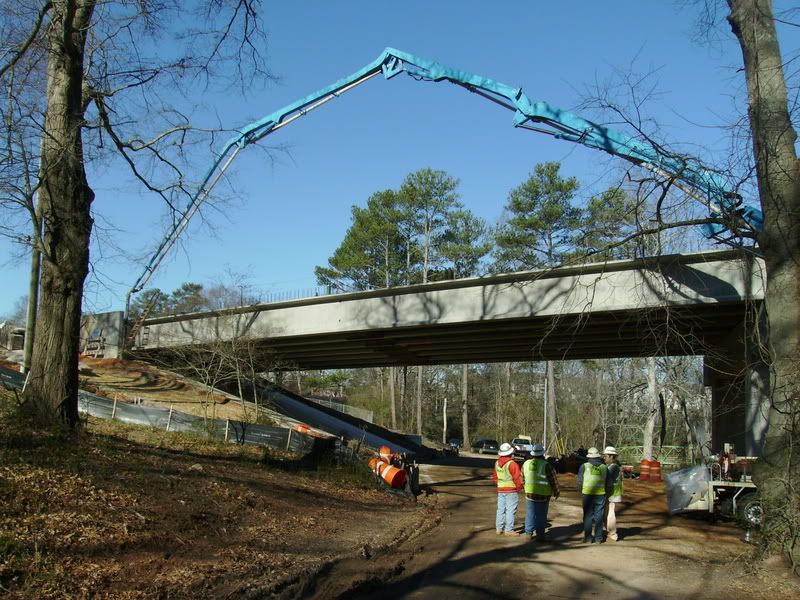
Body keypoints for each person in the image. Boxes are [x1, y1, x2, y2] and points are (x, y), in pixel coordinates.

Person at [522, 443, 560, 540]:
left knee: (530, 513)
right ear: (542, 454)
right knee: (541, 515)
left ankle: (528, 533)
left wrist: (525, 487)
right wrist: (556, 492)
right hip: (543, 495)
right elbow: (553, 480)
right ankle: (540, 535)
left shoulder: (526, 464)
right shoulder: (547, 465)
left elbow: (522, 478)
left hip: (530, 494)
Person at [577, 446, 608, 544]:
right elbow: (608, 482)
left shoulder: (584, 466)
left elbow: (579, 482)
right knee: (599, 515)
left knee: (588, 516)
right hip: (600, 494)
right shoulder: (604, 467)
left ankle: (588, 538)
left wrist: (580, 491)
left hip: (587, 494)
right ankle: (598, 538)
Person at [491, 442, 523, 536]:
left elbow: (495, 477)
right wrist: (519, 487)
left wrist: (500, 484)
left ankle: (499, 529)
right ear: (510, 453)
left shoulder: (496, 463)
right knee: (510, 510)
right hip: (511, 490)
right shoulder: (512, 464)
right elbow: (517, 478)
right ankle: (509, 530)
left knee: (500, 509)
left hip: (501, 489)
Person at [603, 446, 624, 542]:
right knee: (607, 512)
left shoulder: (613, 467)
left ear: (611, 456)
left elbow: (607, 479)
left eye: (606, 456)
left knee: (610, 513)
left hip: (612, 493)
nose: (604, 457)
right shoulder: (614, 466)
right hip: (612, 492)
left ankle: (612, 533)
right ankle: (609, 531)